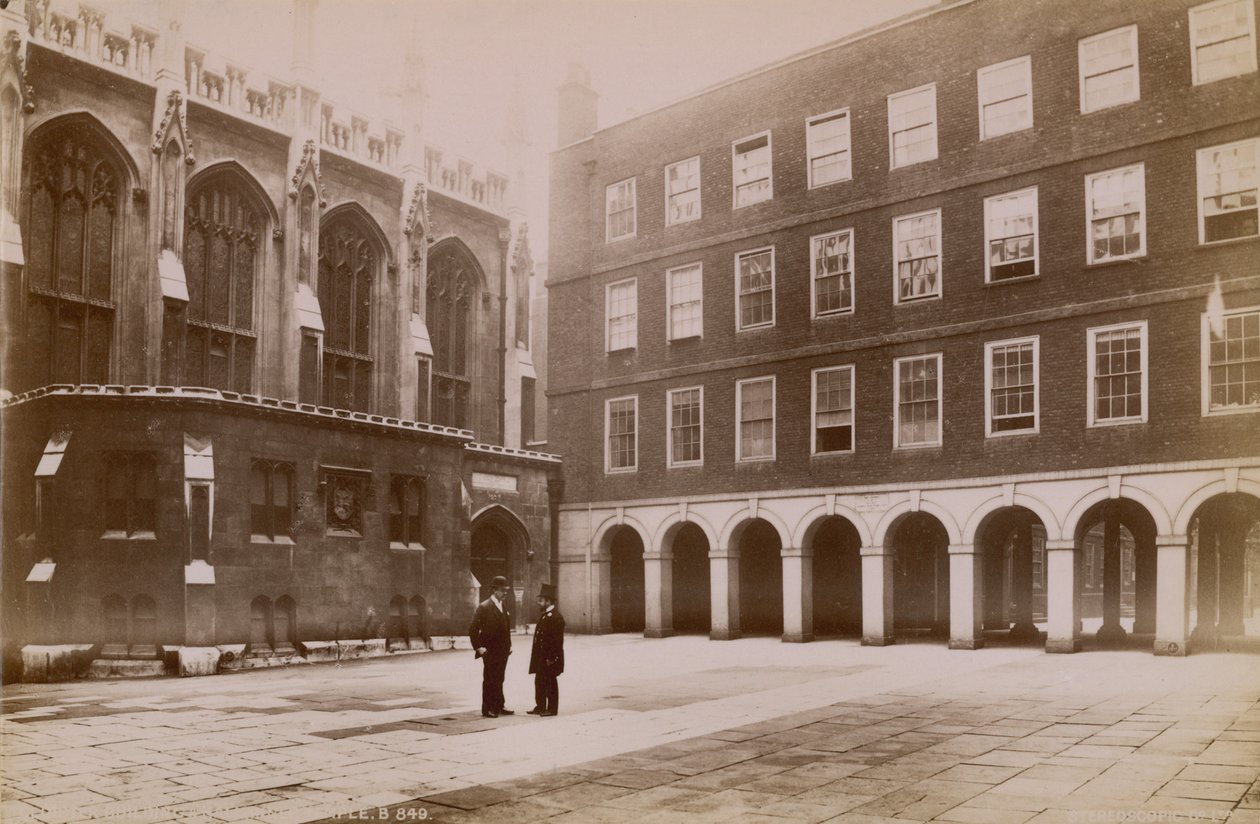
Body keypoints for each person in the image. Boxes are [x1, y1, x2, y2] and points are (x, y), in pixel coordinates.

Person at [469, 575, 513, 718]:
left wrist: (509, 645)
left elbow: (506, 628)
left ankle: (499, 705)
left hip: (503, 651)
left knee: (500, 678)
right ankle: (487, 708)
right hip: (490, 650)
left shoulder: (502, 605)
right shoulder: (484, 607)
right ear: (495, 590)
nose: (505, 593)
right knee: (490, 679)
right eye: (502, 590)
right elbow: (473, 629)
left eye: (506, 590)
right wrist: (478, 647)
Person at [527, 582, 565, 717]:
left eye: (541, 600)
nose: (539, 603)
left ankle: (552, 709)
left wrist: (552, 658)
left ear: (548, 601)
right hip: (541, 657)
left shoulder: (555, 617)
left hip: (549, 658)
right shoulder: (546, 615)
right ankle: (540, 706)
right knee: (540, 681)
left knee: (550, 682)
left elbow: (557, 642)